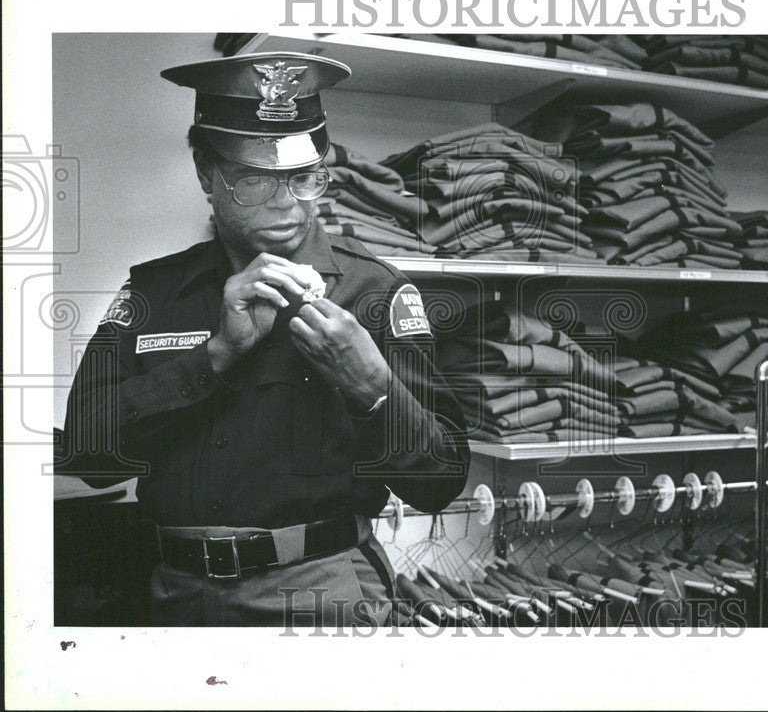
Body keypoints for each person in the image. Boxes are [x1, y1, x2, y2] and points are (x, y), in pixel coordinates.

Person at [56, 51, 470, 627]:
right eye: (255, 178)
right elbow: (84, 454)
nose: (286, 201)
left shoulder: (375, 293)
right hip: (173, 597)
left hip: (320, 596)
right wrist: (215, 358)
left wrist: (373, 389)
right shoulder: (154, 291)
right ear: (206, 173)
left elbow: (440, 483)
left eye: (303, 178)